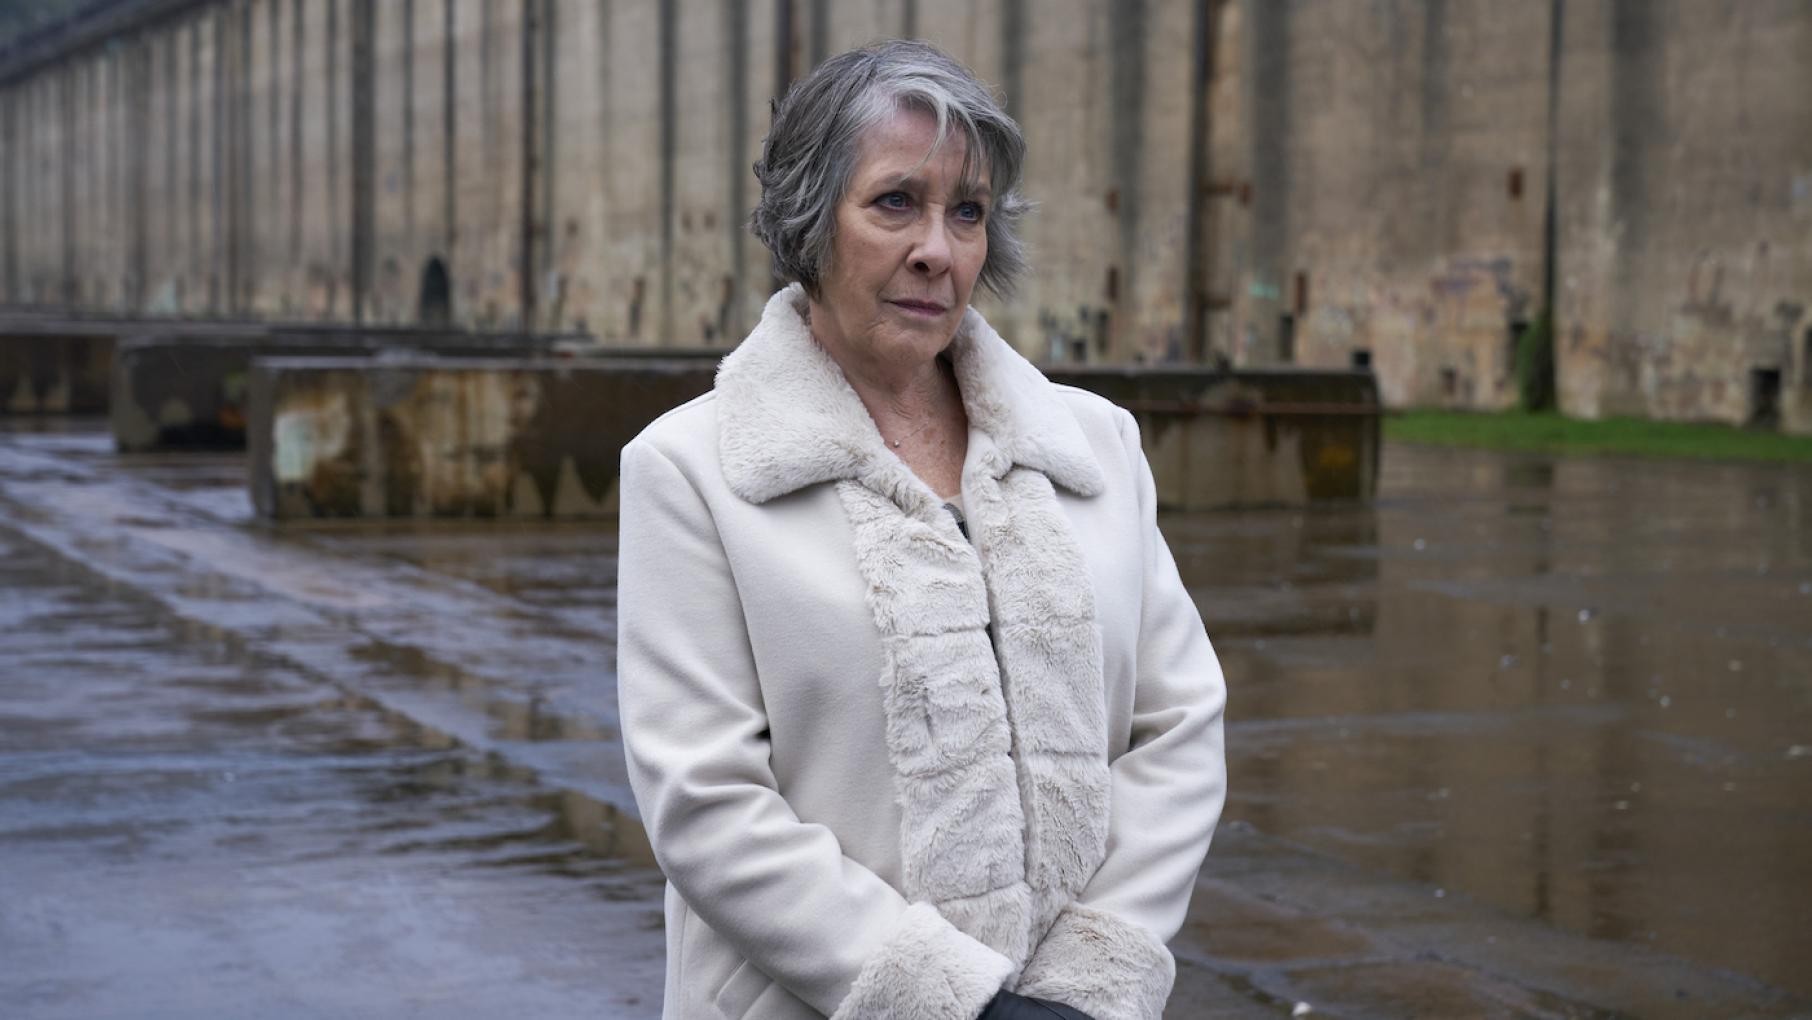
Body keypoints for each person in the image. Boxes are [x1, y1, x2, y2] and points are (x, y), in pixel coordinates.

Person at [616, 39, 1226, 1020]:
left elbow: (1180, 725)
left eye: (968, 212)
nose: (938, 249)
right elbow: (707, 804)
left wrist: (1096, 977)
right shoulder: (692, 471)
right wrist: (955, 1004)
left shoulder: (1095, 446)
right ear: (811, 223)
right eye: (896, 201)